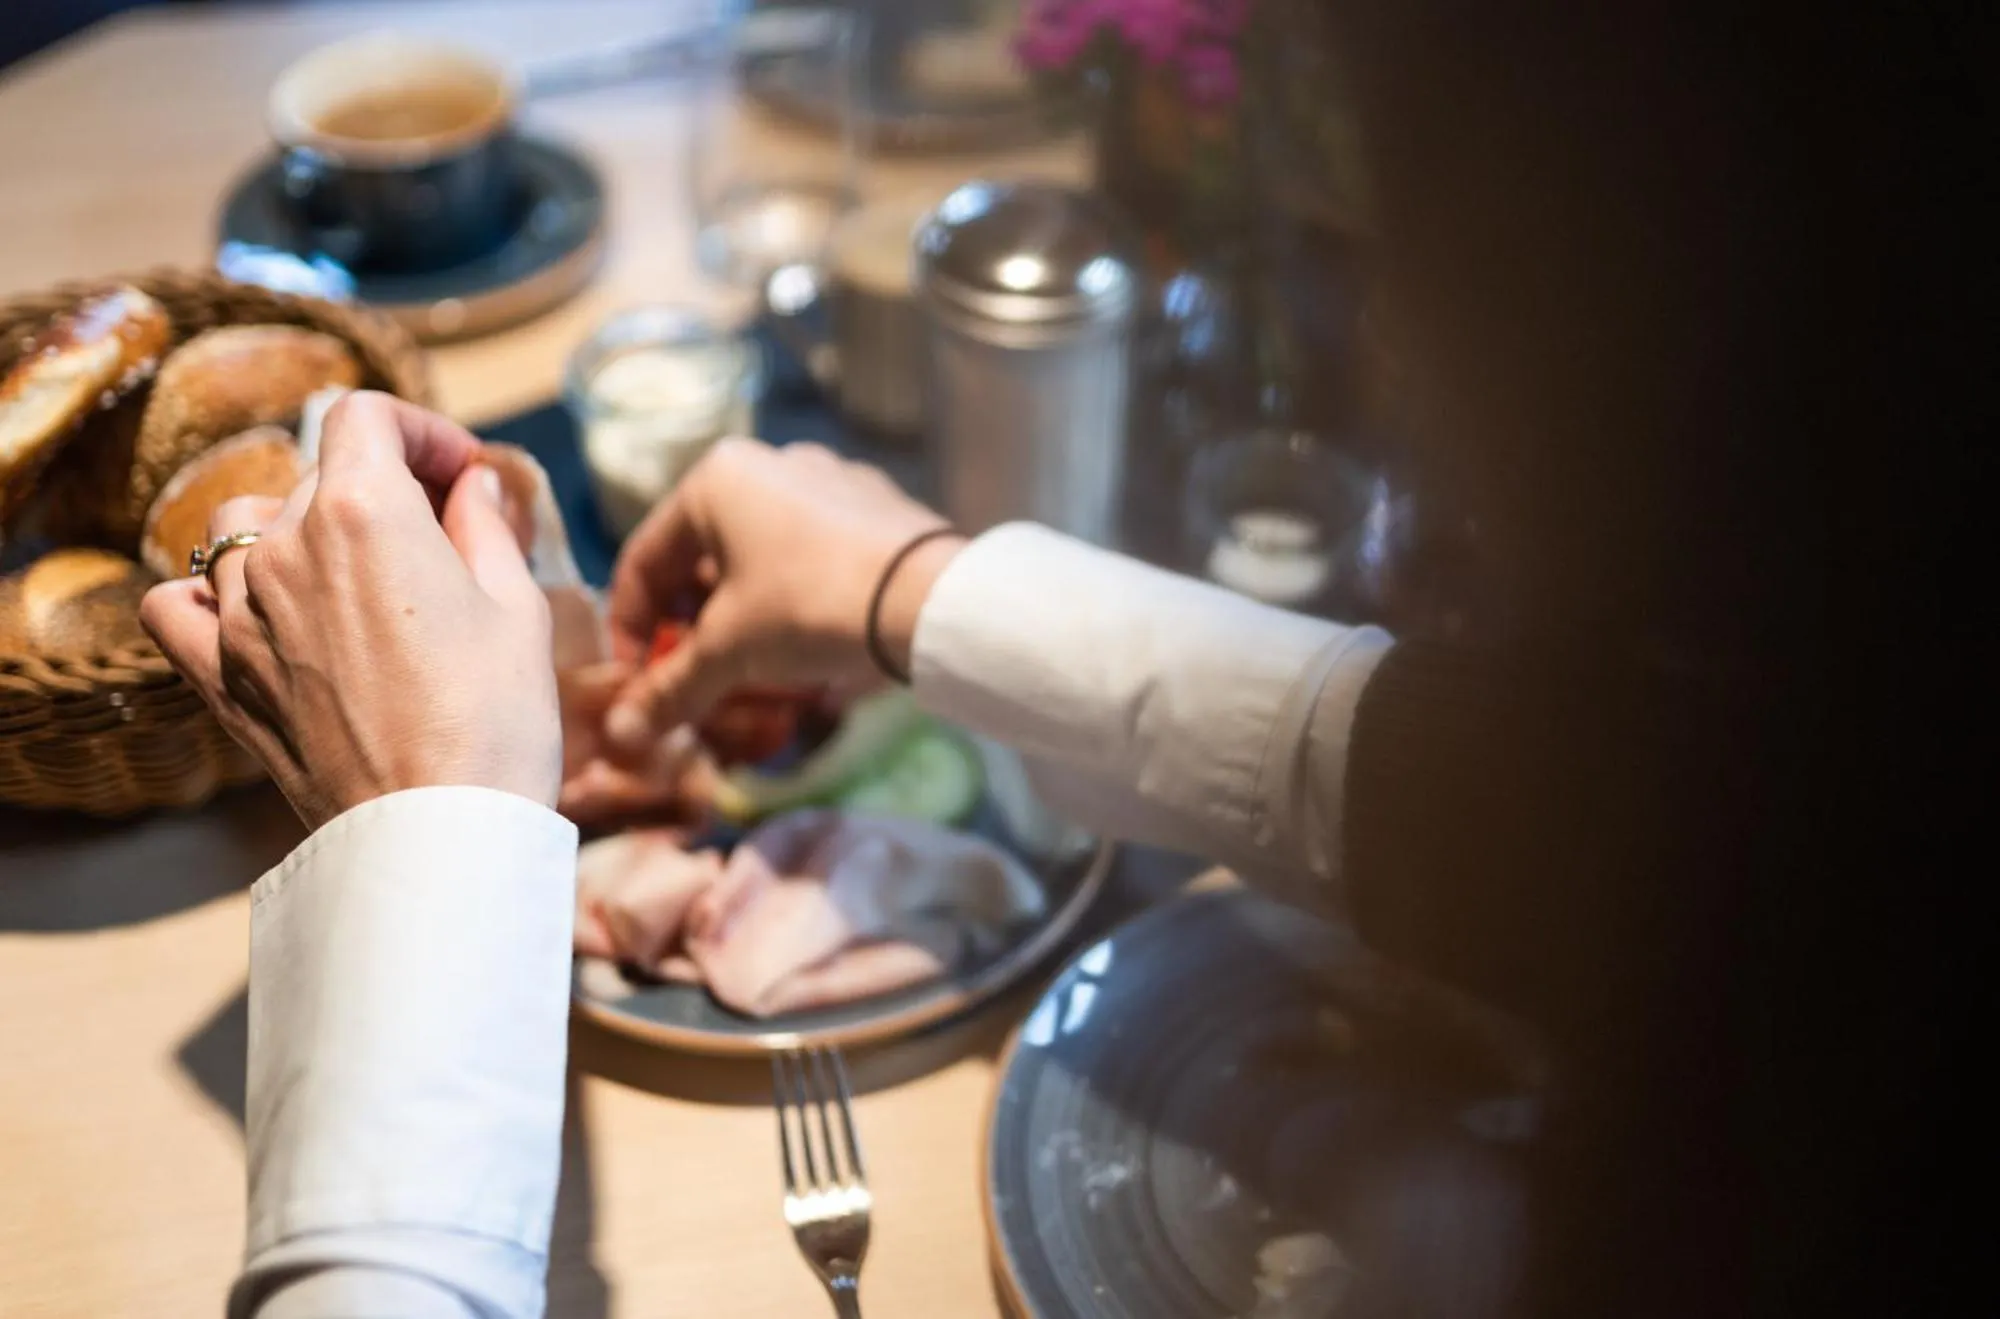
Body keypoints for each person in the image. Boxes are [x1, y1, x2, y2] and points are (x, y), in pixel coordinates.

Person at [141, 0, 1974, 1313]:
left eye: (1402, 207)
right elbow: (1691, 819)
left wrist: (421, 854)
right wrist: (921, 589)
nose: (1384, 331)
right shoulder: (1870, 784)